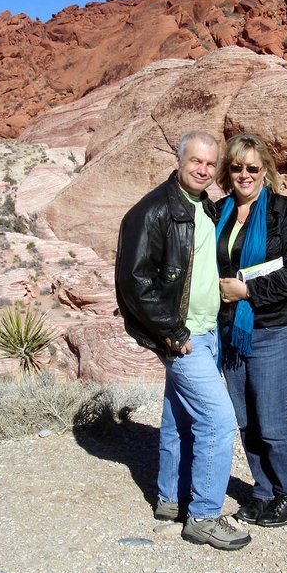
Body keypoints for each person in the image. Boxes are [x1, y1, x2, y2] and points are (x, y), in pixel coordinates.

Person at [115, 130, 251, 551]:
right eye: (196, 161)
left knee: (178, 417)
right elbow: (134, 281)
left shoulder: (203, 207)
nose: (203, 170)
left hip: (207, 332)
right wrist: (172, 332)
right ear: (179, 160)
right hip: (184, 337)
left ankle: (171, 499)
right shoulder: (153, 211)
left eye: (211, 164)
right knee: (219, 419)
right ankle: (205, 516)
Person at [215, 133, 287, 527]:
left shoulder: (283, 213)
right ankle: (262, 491)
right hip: (233, 333)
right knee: (246, 420)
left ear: (265, 171)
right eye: (237, 166)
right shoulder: (219, 212)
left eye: (252, 167)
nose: (244, 174)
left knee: (272, 422)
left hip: (275, 330)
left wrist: (247, 290)